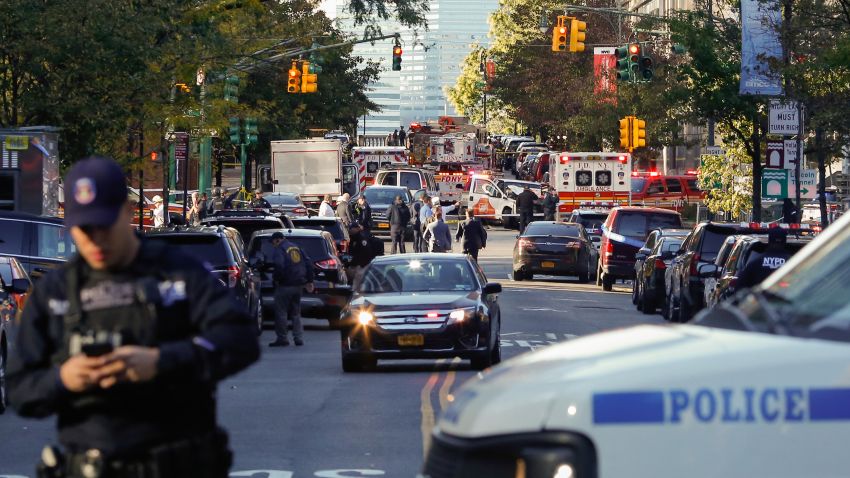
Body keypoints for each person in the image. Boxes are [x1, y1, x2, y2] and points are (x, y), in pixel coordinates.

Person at [6, 156, 259, 478]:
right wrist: (64, 379)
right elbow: (19, 389)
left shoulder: (176, 271)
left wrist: (161, 361)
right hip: (89, 464)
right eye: (84, 229)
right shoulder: (56, 291)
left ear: (127, 213)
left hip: (177, 461)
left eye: (105, 225)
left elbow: (241, 338)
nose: (95, 239)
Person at [268, 231, 315, 347]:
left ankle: (282, 338)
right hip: (298, 284)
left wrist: (276, 279)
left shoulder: (280, 249)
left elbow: (279, 265)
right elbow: (309, 263)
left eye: (273, 242)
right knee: (296, 313)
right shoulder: (296, 247)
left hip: (285, 285)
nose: (273, 245)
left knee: (281, 312)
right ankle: (298, 338)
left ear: (277, 240)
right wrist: (309, 280)